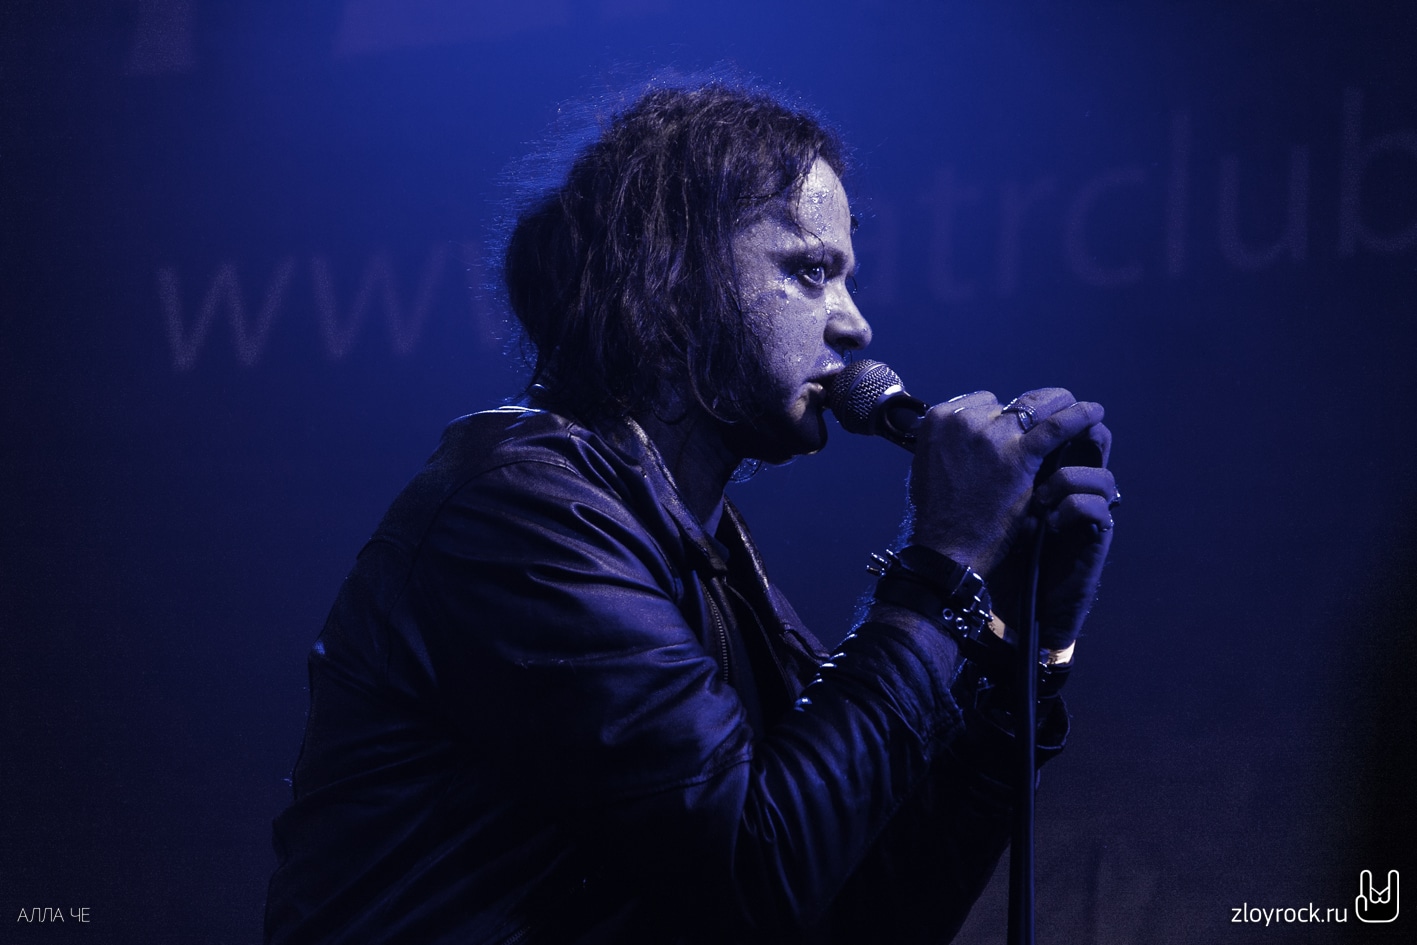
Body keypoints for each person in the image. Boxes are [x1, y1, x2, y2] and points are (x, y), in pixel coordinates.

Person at [264, 80, 1117, 944]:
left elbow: (857, 912)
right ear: (670, 282)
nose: (855, 325)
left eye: (844, 279)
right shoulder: (521, 509)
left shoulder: (709, 559)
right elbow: (751, 867)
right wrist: (941, 564)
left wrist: (1017, 641)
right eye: (809, 271)